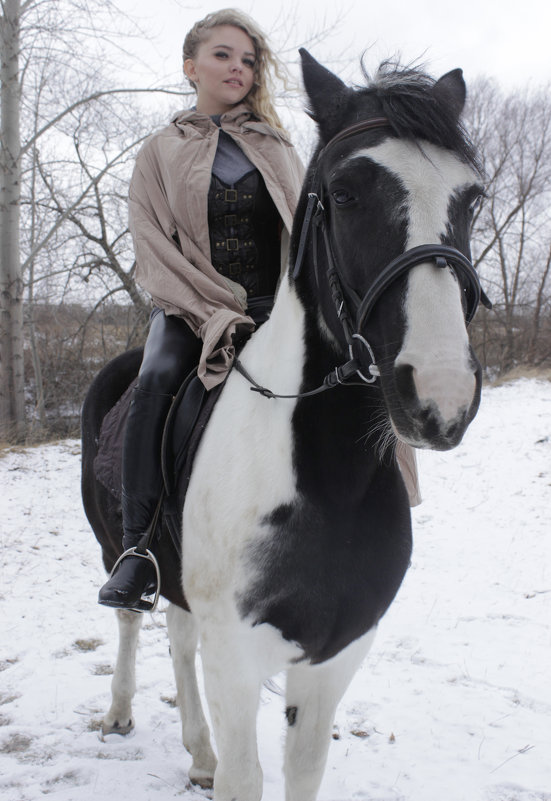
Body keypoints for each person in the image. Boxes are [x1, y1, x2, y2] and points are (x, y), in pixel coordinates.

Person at [98, 9, 305, 611]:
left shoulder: (277, 145)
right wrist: (212, 308)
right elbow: (151, 244)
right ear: (191, 67)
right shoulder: (160, 150)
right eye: (223, 55)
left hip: (278, 305)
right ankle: (137, 552)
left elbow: (306, 233)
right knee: (157, 378)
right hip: (192, 308)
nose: (237, 67)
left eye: (247, 59)